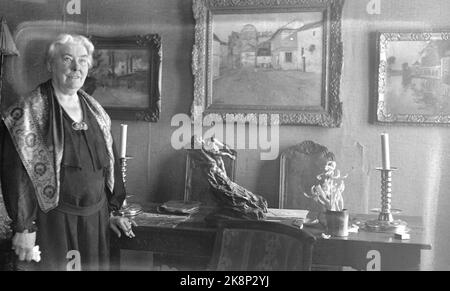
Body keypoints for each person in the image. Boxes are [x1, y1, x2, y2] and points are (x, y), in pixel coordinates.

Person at [0, 34, 135, 271]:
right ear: (51, 65)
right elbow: (16, 178)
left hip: (95, 223)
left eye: (83, 61)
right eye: (68, 59)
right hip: (53, 225)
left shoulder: (97, 112)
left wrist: (111, 214)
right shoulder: (25, 114)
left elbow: (105, 170)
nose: (76, 68)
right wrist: (24, 228)